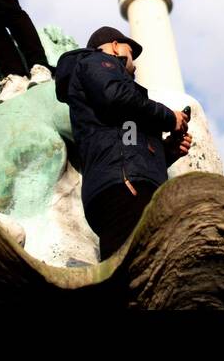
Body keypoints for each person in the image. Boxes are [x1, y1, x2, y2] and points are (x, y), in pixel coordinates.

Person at [53, 26, 191, 259]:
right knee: (137, 267)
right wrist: (169, 117)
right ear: (115, 46)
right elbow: (117, 98)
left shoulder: (98, 76)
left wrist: (166, 152)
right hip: (125, 186)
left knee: (139, 265)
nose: (135, 65)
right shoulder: (97, 62)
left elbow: (125, 142)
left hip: (123, 184)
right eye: (131, 53)